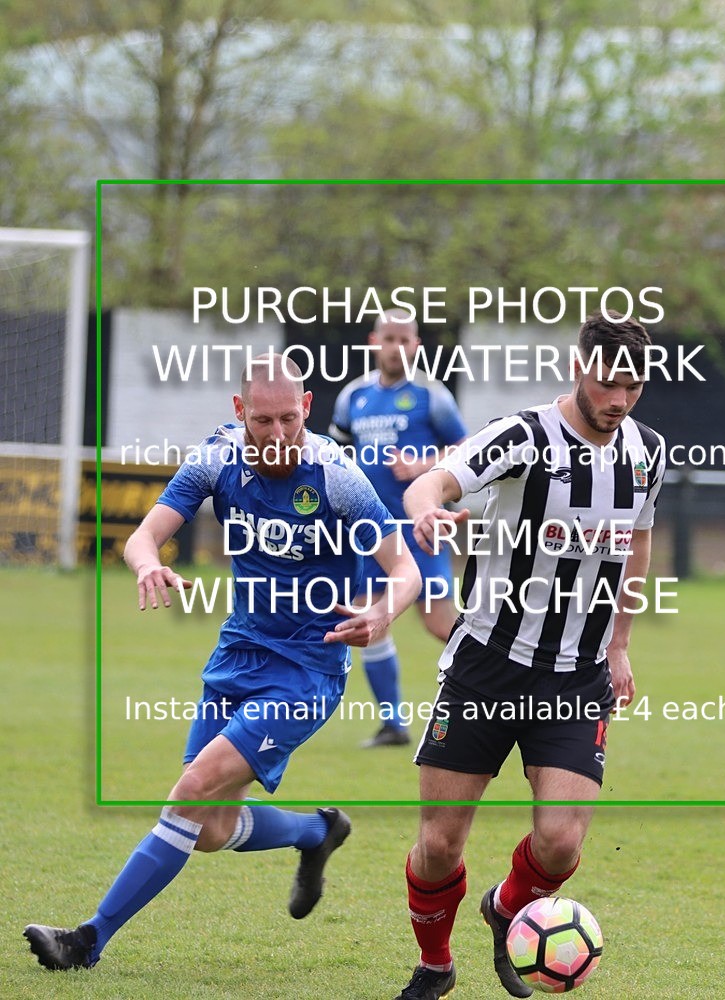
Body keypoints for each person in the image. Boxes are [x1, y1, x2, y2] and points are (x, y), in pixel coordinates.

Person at [24, 355, 420, 972]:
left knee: (190, 793)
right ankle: (316, 832)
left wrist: (383, 613)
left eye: (290, 418)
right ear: (240, 413)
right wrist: (147, 564)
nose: (279, 433)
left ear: (307, 408)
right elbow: (140, 535)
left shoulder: (337, 476)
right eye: (264, 420)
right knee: (209, 828)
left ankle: (86, 940)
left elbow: (406, 570)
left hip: (307, 672)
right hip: (237, 655)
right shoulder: (216, 459)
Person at [393, 312, 667, 999]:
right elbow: (432, 481)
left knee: (561, 845)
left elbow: (635, 545)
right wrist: (426, 507)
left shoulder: (647, 451)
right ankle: (435, 965)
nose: (619, 401)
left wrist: (622, 644)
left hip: (577, 675)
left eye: (633, 388)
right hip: (486, 665)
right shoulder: (523, 436)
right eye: (608, 384)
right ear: (580, 369)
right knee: (438, 847)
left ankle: (505, 907)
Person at [329, 310, 467, 748]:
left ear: (416, 345)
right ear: (374, 342)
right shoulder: (354, 396)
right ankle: (393, 724)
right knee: (368, 617)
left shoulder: (432, 395)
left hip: (420, 526)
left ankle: (498, 696)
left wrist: (423, 466)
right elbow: (337, 453)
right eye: (388, 339)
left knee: (439, 622)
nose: (395, 348)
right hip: (371, 532)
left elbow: (465, 448)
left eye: (403, 340)